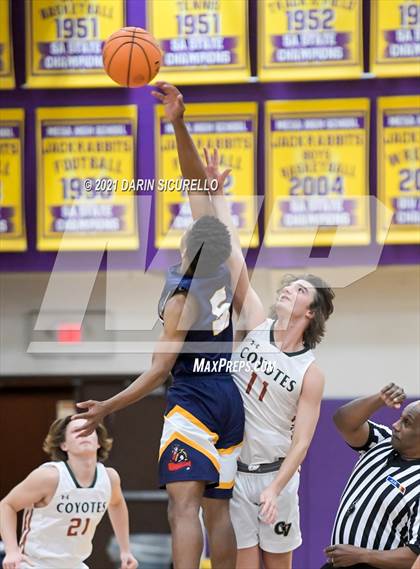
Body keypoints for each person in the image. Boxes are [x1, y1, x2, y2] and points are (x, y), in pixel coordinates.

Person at [158, 83, 335, 569]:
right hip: (233, 463)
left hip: (278, 476)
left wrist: (278, 488)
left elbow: (302, 442)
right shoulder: (255, 321)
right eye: (290, 284)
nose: (288, 289)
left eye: (300, 289)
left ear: (311, 313)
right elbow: (222, 240)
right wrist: (215, 193)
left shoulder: (311, 372)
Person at [72, 83, 245, 569]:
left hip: (194, 399)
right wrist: (177, 122)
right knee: (219, 512)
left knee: (182, 509)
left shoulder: (182, 296)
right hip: (228, 397)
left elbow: (158, 373)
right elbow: (197, 191)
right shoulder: (221, 268)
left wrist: (107, 406)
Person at [0, 416, 137, 569]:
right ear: (64, 445)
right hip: (35, 564)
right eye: (76, 431)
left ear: (99, 442)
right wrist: (11, 551)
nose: (84, 434)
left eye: (89, 430)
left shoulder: (110, 478)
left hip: (75, 564)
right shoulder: (49, 477)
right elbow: (6, 505)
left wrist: (125, 550)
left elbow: (117, 504)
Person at [322, 382, 420, 569]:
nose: (395, 425)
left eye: (406, 423)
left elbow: (415, 556)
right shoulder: (383, 441)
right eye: (400, 418)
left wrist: (362, 556)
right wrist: (379, 399)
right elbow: (342, 421)